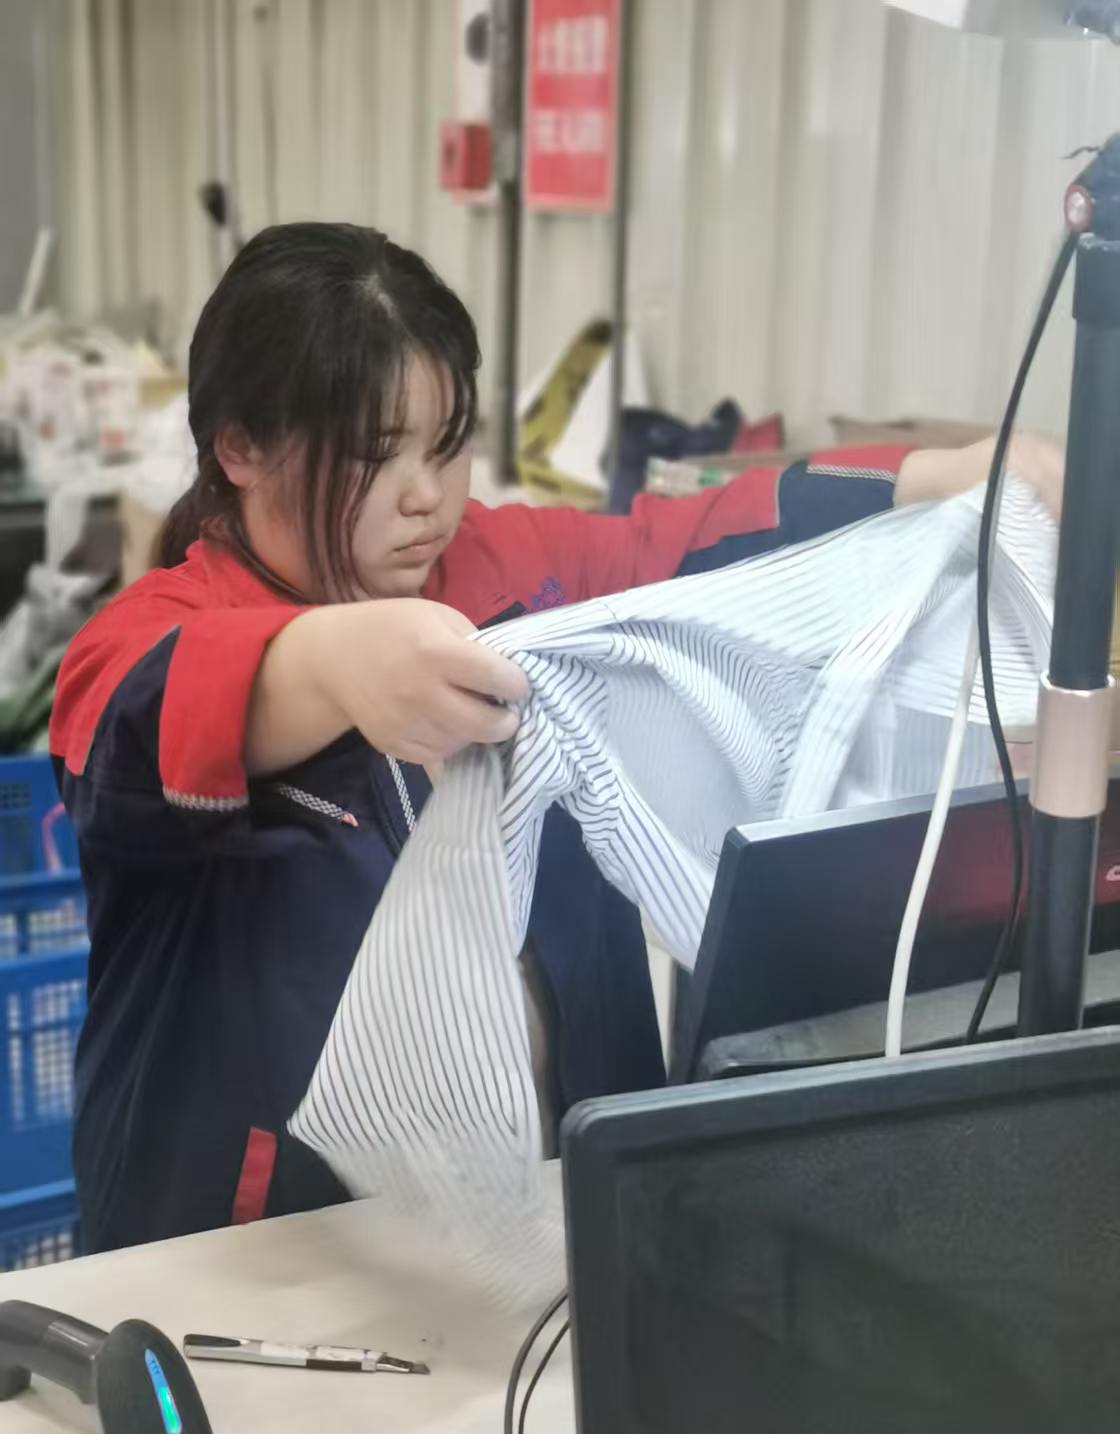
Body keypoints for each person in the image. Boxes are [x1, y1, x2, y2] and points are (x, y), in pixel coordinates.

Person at [50, 223, 1064, 1252]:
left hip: (548, 1214)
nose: (426, 496)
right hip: (265, 1251)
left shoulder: (509, 571)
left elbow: (694, 541)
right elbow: (132, 716)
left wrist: (932, 479)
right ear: (240, 448)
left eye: (446, 446)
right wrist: (327, 661)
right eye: (372, 455)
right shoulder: (147, 635)